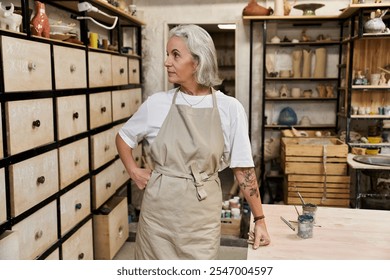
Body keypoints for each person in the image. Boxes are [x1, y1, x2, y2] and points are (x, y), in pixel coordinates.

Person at [115, 24, 270, 260]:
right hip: (157, 220)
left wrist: (259, 220)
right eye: (167, 55)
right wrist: (133, 171)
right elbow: (123, 138)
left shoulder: (230, 109)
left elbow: (243, 169)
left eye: (175, 55)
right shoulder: (157, 104)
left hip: (201, 221)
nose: (167, 62)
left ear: (198, 61)